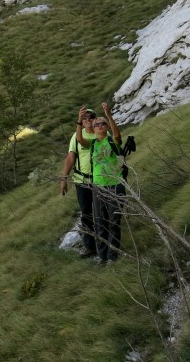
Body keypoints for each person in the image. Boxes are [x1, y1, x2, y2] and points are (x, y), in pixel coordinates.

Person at [74, 101, 124, 263]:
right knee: (99, 222)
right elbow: (80, 139)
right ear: (93, 129)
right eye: (97, 124)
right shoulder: (93, 143)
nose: (100, 126)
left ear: (107, 127)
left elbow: (117, 136)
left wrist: (108, 115)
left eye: (103, 124)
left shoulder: (111, 141)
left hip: (114, 185)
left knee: (113, 221)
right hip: (98, 187)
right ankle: (102, 256)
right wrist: (79, 121)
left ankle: (112, 256)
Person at [60, 106, 97, 258]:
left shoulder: (101, 133)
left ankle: (106, 241)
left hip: (101, 180)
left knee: (102, 211)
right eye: (85, 118)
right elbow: (70, 157)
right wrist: (64, 179)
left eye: (91, 117)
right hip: (82, 181)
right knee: (86, 213)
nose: (88, 120)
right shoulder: (76, 137)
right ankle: (90, 246)